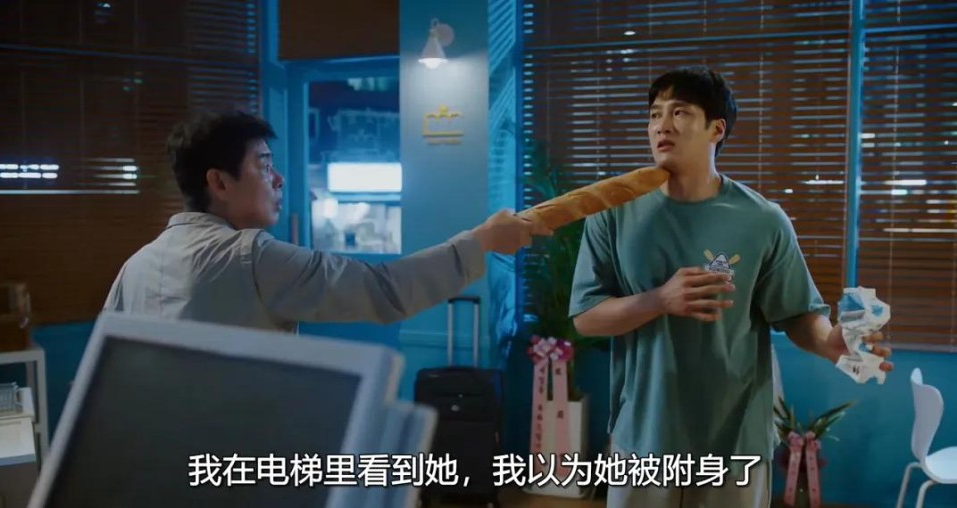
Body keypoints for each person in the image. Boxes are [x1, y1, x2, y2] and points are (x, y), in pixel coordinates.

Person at [568, 66, 892, 508]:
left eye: (680, 112)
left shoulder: (762, 220)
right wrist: (659, 300)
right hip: (643, 435)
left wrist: (827, 342)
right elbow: (586, 318)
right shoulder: (612, 213)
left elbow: (796, 313)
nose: (662, 125)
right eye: (655, 114)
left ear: (716, 129)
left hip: (736, 441)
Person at [103, 110, 552, 332]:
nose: (278, 179)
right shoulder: (250, 256)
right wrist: (483, 240)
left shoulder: (135, 267)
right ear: (219, 182)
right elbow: (384, 290)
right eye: (264, 165)